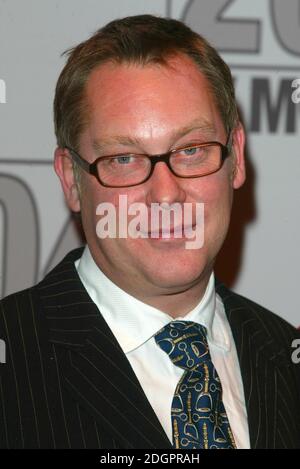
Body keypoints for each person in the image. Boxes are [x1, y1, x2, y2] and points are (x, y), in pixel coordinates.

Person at [0, 14, 299, 450]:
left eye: (192, 150)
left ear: (235, 155)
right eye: (124, 158)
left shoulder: (287, 356)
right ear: (71, 179)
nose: (165, 195)